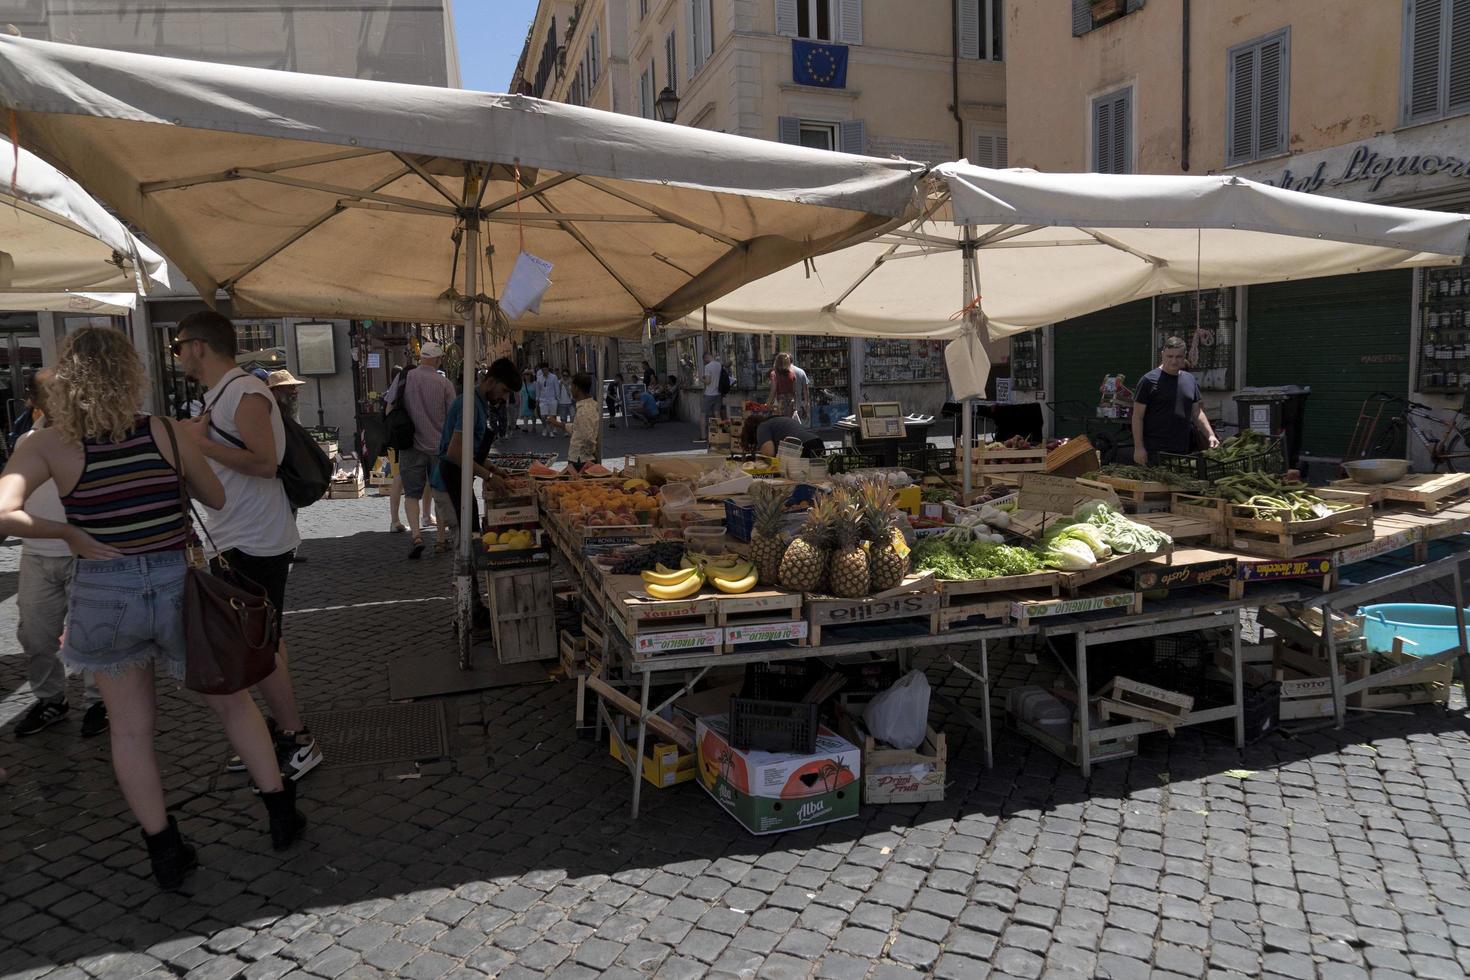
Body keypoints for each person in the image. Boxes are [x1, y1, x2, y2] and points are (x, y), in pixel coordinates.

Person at [0, 327, 304, 890]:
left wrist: (68, 531)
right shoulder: (165, 431)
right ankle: (281, 811)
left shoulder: (44, 444)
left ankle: (165, 849)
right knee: (233, 705)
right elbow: (213, 497)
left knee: (132, 732)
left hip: (102, 591)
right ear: (129, 374)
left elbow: (4, 512)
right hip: (175, 585)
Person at [173, 311, 323, 784]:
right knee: (263, 639)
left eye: (178, 347)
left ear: (199, 346)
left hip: (254, 540)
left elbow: (264, 463)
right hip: (237, 536)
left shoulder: (245, 393)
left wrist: (199, 444)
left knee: (257, 641)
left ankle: (297, 740)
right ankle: (279, 734)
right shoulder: (222, 395)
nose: (177, 356)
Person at [12, 369, 107, 739]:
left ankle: (100, 700)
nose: (63, 399)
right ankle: (51, 699)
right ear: (34, 402)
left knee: (91, 635)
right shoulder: (26, 443)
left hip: (84, 554)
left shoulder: (92, 439)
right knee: (35, 636)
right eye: (52, 393)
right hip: (36, 555)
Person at [428, 359, 520, 630]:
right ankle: (462, 614)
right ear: (490, 381)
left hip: (459, 480)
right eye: (503, 391)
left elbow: (471, 451)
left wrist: (493, 467)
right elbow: (456, 453)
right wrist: (489, 477)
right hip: (448, 483)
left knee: (470, 544)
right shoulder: (469, 406)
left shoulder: (478, 405)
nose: (503, 398)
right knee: (463, 549)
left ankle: (473, 607)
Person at [386, 342, 454, 558]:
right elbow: (453, 417)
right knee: (440, 493)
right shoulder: (444, 383)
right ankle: (441, 539)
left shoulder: (404, 378)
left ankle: (416, 536)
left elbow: (389, 407)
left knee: (412, 493)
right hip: (438, 446)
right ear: (437, 359)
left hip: (411, 445)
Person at [1131, 336, 1219, 465]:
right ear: (1162, 355)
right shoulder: (1148, 381)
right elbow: (1137, 416)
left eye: (1178, 357)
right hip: (1154, 450)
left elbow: (1197, 413)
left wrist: (1210, 435)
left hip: (1183, 449)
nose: (1174, 361)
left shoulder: (1190, 380)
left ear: (1184, 356)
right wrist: (1139, 448)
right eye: (1170, 356)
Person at [545, 372, 601, 471]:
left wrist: (591, 453)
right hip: (579, 458)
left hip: (581, 460)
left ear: (576, 388)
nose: (570, 389)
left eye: (571, 385)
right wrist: (558, 424)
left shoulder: (584, 410)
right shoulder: (587, 406)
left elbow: (587, 437)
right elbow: (578, 429)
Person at [383, 366, 407, 533]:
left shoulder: (392, 394)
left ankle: (395, 520)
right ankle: (426, 515)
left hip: (395, 442)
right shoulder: (403, 393)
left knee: (398, 479)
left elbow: (387, 415)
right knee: (399, 479)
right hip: (403, 441)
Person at [741, 414, 825, 458]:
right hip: (817, 442)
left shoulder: (762, 426)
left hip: (804, 447)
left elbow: (769, 454)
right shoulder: (776, 420)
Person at [766, 352, 811, 423]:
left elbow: (773, 391)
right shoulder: (792, 374)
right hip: (791, 404)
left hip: (781, 404)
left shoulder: (774, 374)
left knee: (782, 425)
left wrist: (767, 404)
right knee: (792, 425)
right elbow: (795, 391)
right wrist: (804, 405)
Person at [538, 363, 560, 437]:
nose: (544, 371)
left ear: (548, 369)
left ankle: (551, 431)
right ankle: (544, 428)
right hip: (543, 400)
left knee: (552, 416)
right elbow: (538, 389)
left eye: (546, 369)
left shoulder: (553, 377)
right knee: (543, 416)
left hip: (552, 399)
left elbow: (557, 388)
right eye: (543, 370)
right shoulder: (539, 378)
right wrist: (537, 399)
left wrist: (558, 399)